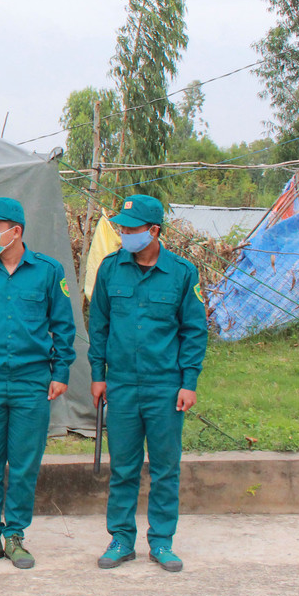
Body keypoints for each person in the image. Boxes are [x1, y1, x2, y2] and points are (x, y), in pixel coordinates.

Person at [0, 197, 76, 570]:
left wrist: (61, 372)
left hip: (30, 381)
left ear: (16, 231)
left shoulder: (47, 271)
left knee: (24, 463)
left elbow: (64, 326)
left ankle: (15, 535)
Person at [89, 195, 208, 573]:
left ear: (154, 231)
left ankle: (161, 542)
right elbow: (99, 327)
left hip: (165, 386)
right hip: (121, 385)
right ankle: (121, 539)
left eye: (132, 229)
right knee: (123, 467)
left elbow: (194, 331)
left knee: (165, 467)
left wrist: (188, 382)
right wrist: (97, 375)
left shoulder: (182, 272)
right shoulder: (110, 270)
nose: (124, 234)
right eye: (122, 228)